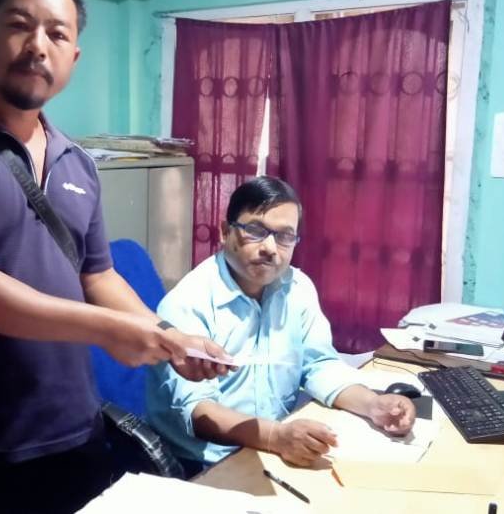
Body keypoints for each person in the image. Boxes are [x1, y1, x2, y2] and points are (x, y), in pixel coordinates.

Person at [0, 0, 229, 514]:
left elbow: (98, 275)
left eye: (57, 34)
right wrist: (110, 329)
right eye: (19, 25)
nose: (38, 46)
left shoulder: (77, 160)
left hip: (76, 431)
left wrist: (168, 338)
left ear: (73, 57)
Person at [146, 176, 416, 470]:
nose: (270, 248)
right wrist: (275, 437)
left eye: (285, 236)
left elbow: (319, 365)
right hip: (206, 463)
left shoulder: (297, 288)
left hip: (273, 448)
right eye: (255, 231)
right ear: (225, 232)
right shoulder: (187, 302)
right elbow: (199, 411)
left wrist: (374, 405)